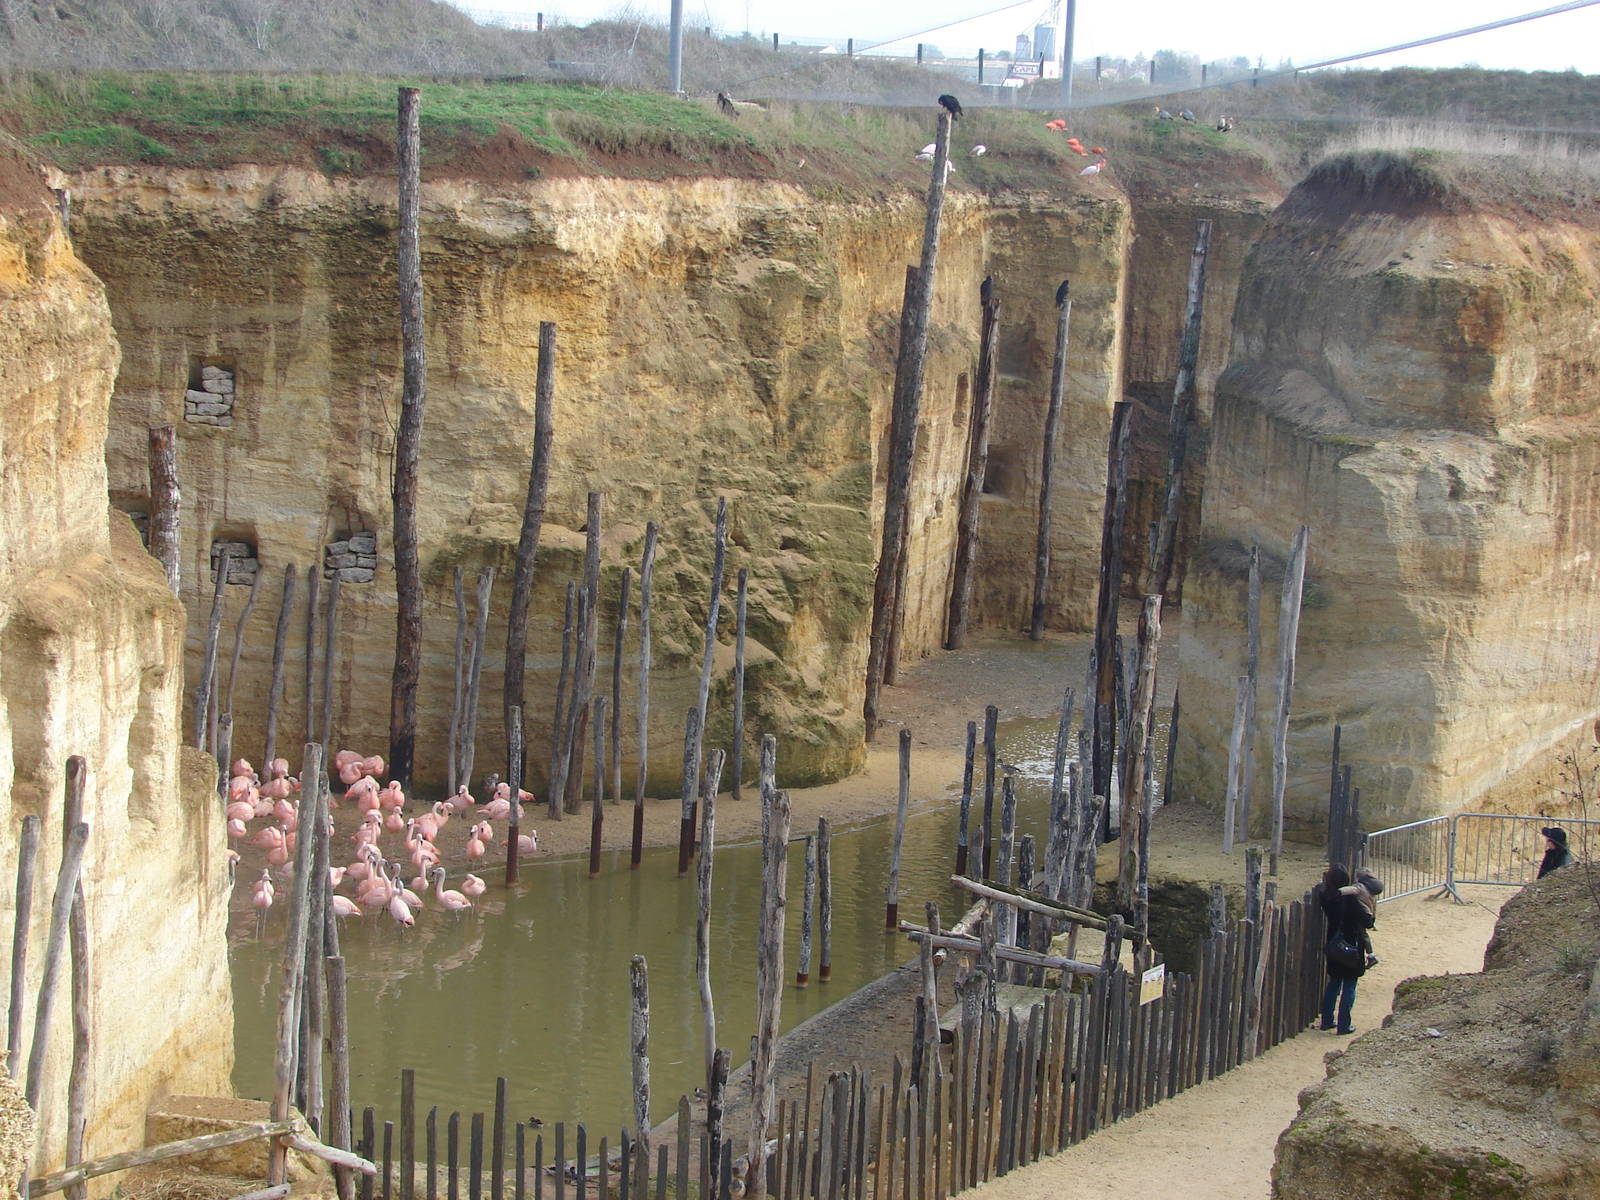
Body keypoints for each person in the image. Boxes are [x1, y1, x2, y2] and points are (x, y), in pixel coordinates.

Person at [1317, 864, 1378, 1035]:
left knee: (1334, 983)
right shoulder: (1349, 899)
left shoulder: (1325, 897)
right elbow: (1368, 922)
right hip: (1352, 944)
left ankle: (1327, 1021)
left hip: (1333, 944)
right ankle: (1344, 1025)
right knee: (1350, 985)